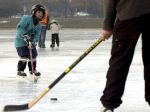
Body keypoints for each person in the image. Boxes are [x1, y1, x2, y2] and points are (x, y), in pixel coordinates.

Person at [100, 0, 150, 112]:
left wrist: (107, 25)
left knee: (119, 61)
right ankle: (109, 102)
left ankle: (109, 102)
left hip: (129, 14)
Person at [15, 4, 45, 77]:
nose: (40, 14)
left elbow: (37, 35)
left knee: (33, 55)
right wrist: (25, 36)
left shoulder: (39, 25)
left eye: (42, 13)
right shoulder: (26, 18)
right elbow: (20, 28)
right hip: (20, 42)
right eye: (39, 12)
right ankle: (20, 71)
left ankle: (32, 70)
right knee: (24, 56)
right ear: (34, 12)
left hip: (30, 42)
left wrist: (34, 42)